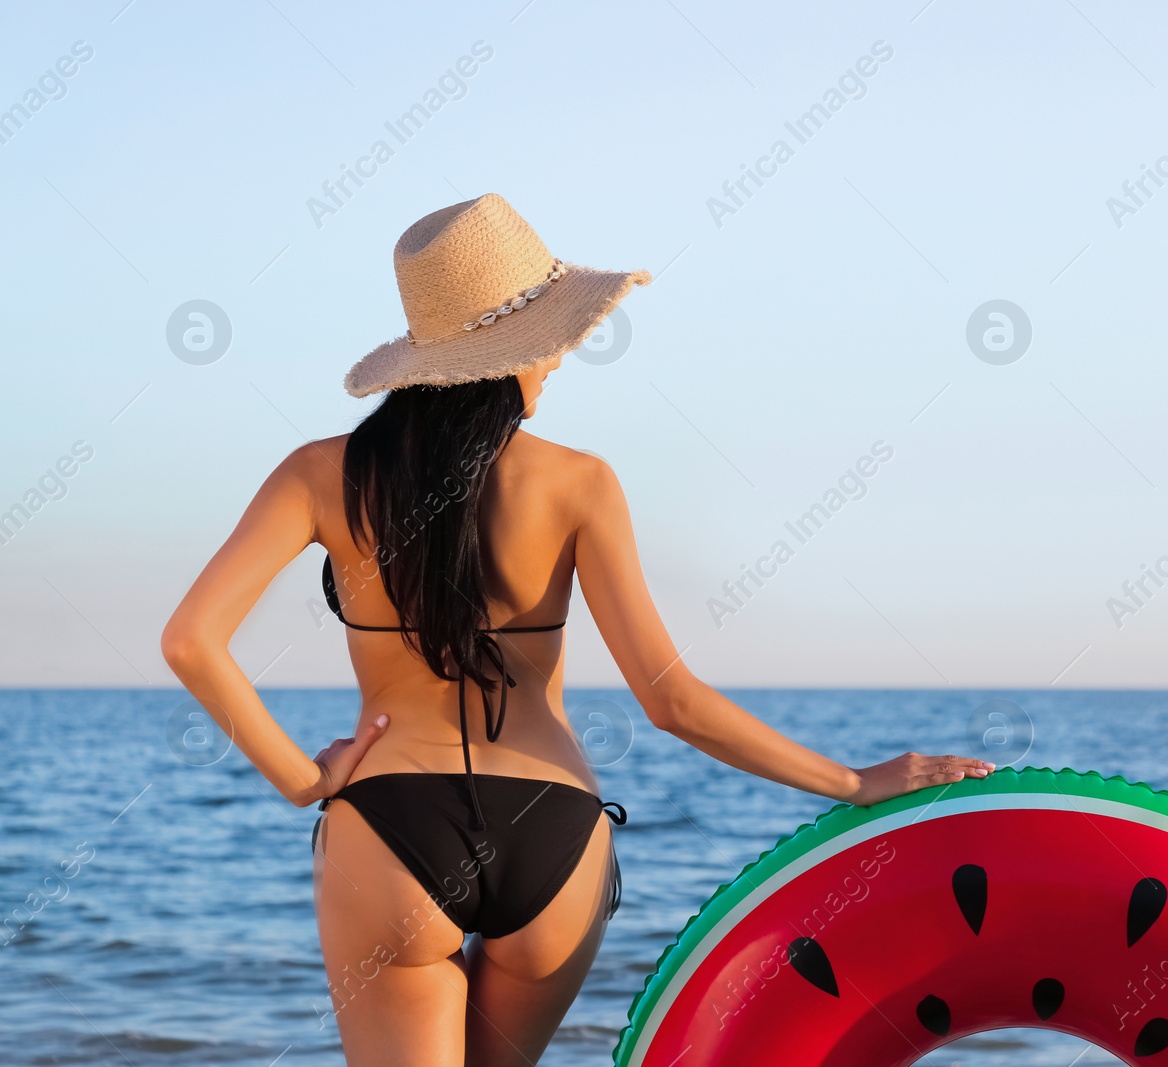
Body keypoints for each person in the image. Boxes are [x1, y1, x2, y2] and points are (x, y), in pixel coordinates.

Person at [161, 193, 993, 1066]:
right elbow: (671, 702)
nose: (559, 358)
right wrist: (854, 780)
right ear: (508, 351)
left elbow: (190, 640)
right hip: (551, 829)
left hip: (390, 828)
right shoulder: (581, 483)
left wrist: (305, 779)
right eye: (552, 338)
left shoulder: (319, 473)